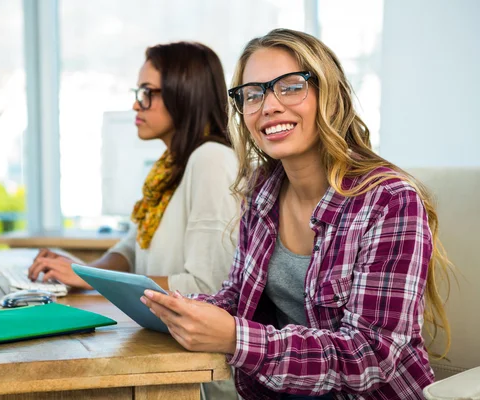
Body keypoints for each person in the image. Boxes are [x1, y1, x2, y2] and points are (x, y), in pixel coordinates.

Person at [142, 29, 453, 400]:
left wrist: (235, 337)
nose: (268, 106)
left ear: (328, 94)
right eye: (253, 94)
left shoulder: (389, 200)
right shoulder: (262, 191)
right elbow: (237, 297)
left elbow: (371, 355)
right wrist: (180, 308)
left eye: (290, 87)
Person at [28, 41, 239, 400]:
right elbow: (132, 245)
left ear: (183, 94)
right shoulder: (168, 168)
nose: (135, 105)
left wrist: (89, 278)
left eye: (146, 93)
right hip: (165, 352)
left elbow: (208, 287)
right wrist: (85, 271)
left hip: (199, 376)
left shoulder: (211, 160)